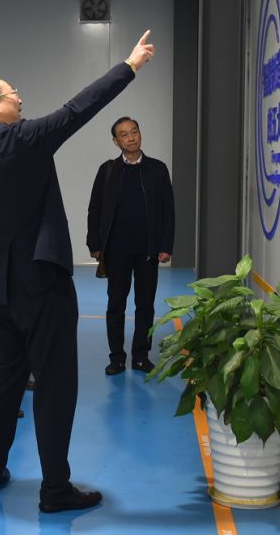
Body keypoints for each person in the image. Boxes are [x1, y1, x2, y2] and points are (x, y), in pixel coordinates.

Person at [0, 31, 155, 513]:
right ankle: (55, 488)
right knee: (55, 386)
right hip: (44, 283)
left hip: (2, 292)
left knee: (3, 385)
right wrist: (129, 65)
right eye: (13, 92)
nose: (20, 98)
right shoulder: (24, 139)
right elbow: (80, 107)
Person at [86, 117, 175, 376]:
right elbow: (95, 209)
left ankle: (140, 356)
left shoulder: (157, 169)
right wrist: (95, 243)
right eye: (124, 134)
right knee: (116, 305)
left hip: (148, 250)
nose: (131, 137)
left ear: (140, 134)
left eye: (134, 131)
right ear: (116, 141)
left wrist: (166, 245)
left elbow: (168, 211)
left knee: (145, 305)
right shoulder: (108, 170)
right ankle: (116, 358)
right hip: (116, 250)